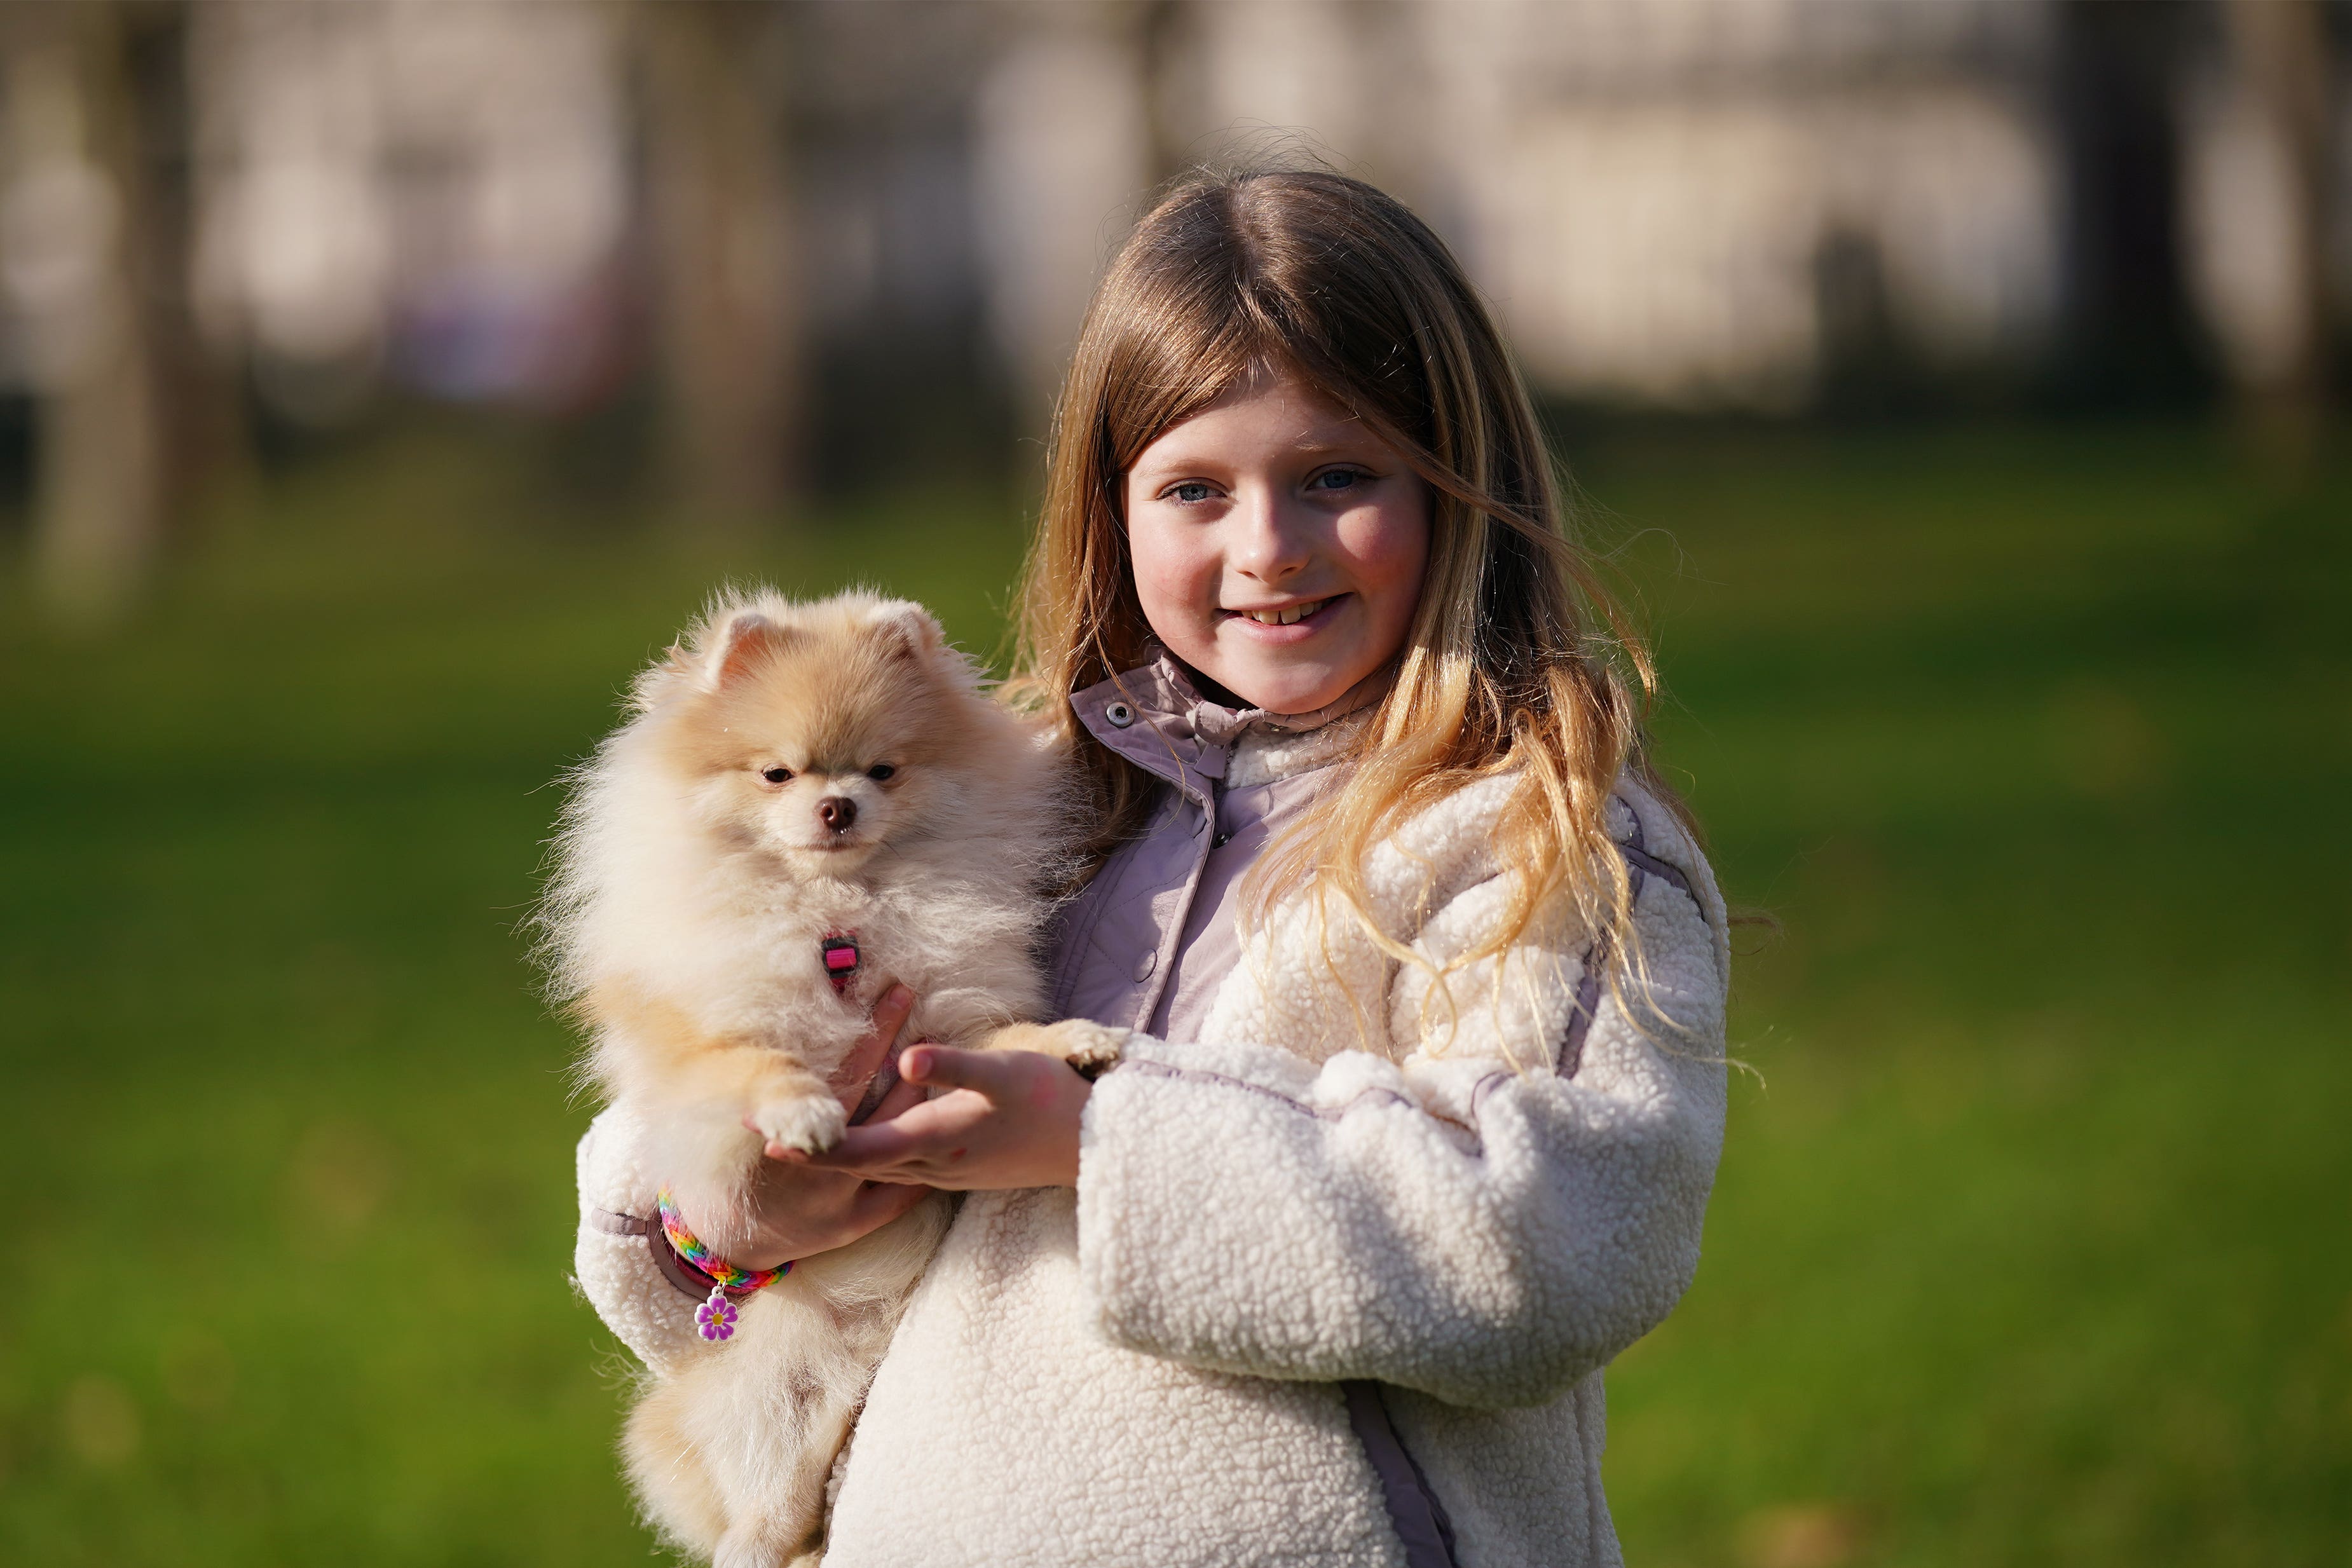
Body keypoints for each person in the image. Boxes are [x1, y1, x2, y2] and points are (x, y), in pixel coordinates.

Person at [573, 168, 1728, 1568]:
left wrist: (1095, 1139)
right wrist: (720, 1205)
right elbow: (710, 1050)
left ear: (1454, 484)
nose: (1267, 547)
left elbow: (1552, 1240)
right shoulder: (1027, 800)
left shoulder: (1530, 837)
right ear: (1107, 509)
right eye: (1194, 487)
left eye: (1336, 476)